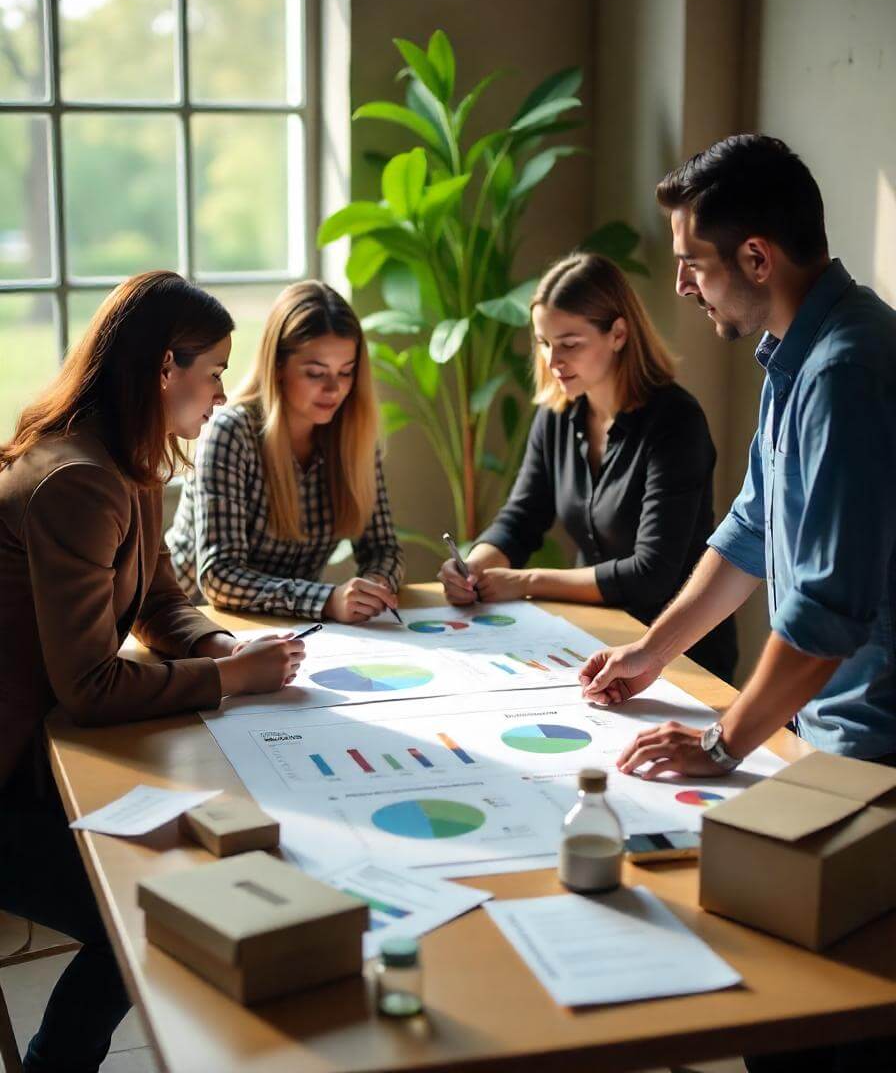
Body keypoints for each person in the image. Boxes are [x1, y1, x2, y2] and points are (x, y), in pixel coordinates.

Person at [579, 136, 896, 1073]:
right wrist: (653, 652)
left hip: (872, 751)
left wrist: (723, 741)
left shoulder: (845, 370)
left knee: (804, 1024)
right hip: (824, 737)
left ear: (757, 257)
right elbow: (752, 530)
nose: (682, 286)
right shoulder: (791, 358)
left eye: (693, 265)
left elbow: (826, 618)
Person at [0, 271, 304, 1073]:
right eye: (212, 373)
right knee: (145, 908)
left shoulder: (123, 456)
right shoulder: (78, 478)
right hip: (7, 786)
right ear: (166, 366)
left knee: (196, 854)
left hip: (41, 757)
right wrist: (235, 682)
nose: (220, 394)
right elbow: (93, 687)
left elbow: (157, 600)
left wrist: (218, 649)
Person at [438, 252, 737, 683]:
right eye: (543, 342)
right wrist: (475, 567)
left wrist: (527, 581)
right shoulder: (558, 413)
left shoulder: (676, 422)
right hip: (593, 639)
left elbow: (650, 574)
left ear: (618, 333)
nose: (552, 360)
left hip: (677, 655)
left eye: (570, 343)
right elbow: (521, 518)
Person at [168, 280, 405, 624]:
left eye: (346, 372)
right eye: (315, 373)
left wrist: (375, 585)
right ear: (277, 365)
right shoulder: (232, 432)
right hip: (192, 621)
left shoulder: (354, 436)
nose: (333, 389)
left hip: (292, 628)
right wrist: (325, 600)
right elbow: (219, 577)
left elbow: (384, 548)